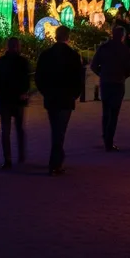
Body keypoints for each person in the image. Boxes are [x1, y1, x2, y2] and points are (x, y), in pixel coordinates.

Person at [35, 26, 83, 175]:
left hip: (52, 97)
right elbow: (79, 78)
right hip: (66, 98)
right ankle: (55, 162)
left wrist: (45, 92)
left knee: (56, 129)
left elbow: (39, 77)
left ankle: (57, 160)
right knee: (60, 130)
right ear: (67, 37)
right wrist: (74, 94)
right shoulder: (73, 55)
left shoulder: (46, 55)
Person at [90, 26, 130, 151]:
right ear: (122, 36)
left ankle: (106, 136)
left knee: (106, 111)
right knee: (114, 112)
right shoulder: (125, 50)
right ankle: (109, 140)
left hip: (106, 82)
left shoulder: (103, 48)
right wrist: (123, 75)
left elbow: (93, 65)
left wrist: (102, 73)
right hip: (118, 83)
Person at [0, 37, 31, 169]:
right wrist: (24, 92)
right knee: (19, 129)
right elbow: (26, 79)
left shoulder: (2, 61)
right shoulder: (22, 61)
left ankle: (7, 159)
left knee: (6, 131)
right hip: (17, 99)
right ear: (17, 47)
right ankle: (20, 154)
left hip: (5, 99)